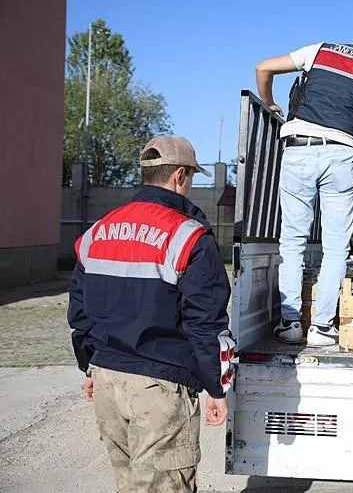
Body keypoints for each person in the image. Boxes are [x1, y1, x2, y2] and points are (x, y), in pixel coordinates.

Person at [67, 135, 234, 492]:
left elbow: (79, 312)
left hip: (108, 383)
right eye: (190, 176)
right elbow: (206, 323)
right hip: (159, 388)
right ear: (179, 176)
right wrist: (217, 388)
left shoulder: (97, 231)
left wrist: (91, 366)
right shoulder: (189, 237)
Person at [255, 37, 353, 347]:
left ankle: (290, 324)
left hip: (298, 150)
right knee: (335, 248)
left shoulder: (319, 50)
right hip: (341, 156)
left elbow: (263, 67)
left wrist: (269, 102)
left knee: (292, 242)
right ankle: (321, 328)